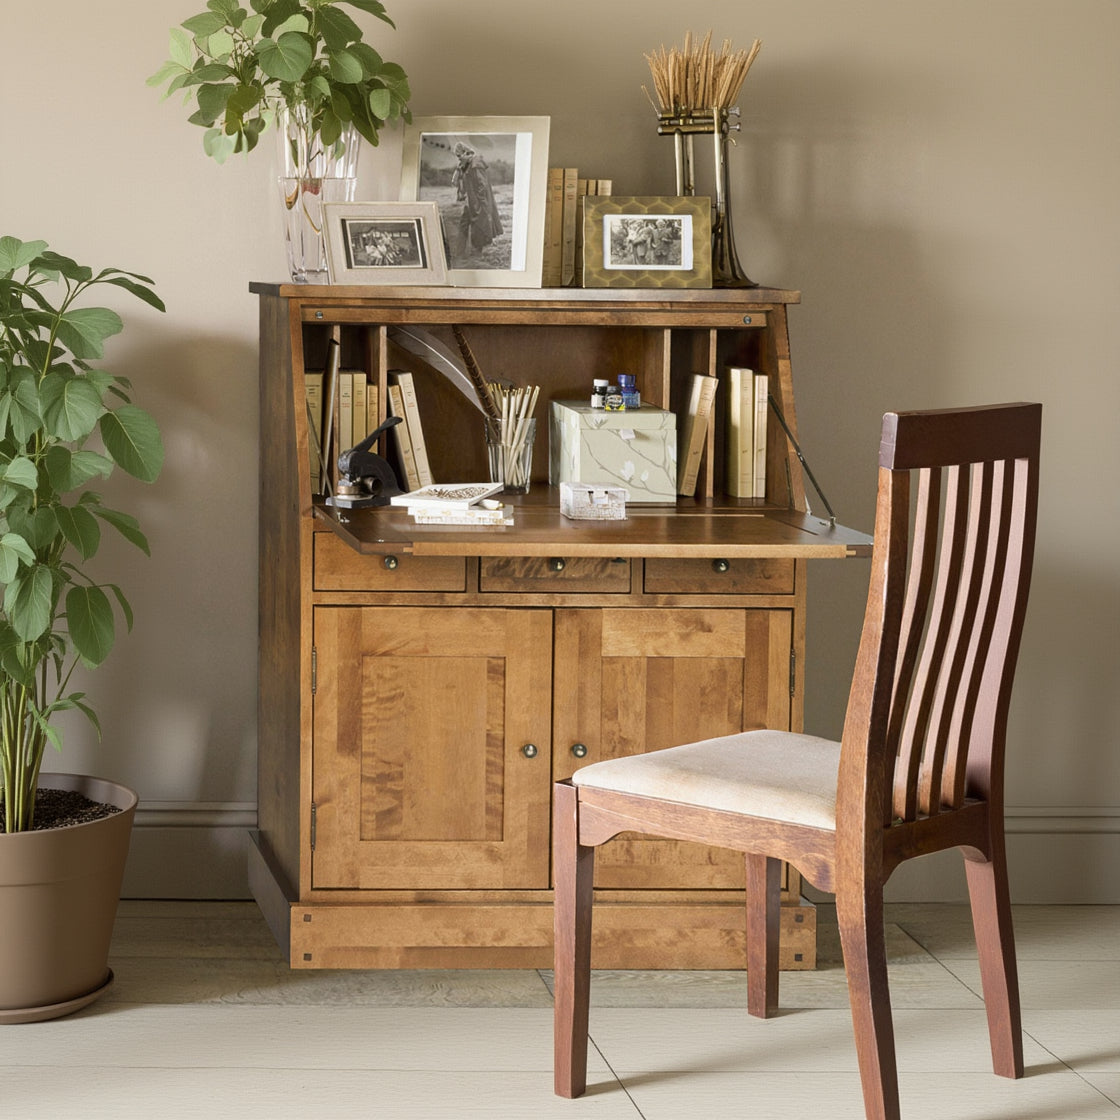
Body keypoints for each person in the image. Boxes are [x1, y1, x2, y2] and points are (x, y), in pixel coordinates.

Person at [452, 142, 502, 260]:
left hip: (479, 202)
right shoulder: (466, 164)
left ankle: (476, 255)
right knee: (463, 224)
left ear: (466, 153)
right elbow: (456, 182)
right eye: (457, 156)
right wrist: (458, 169)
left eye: (459, 156)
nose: (458, 158)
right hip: (470, 202)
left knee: (479, 226)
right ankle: (459, 254)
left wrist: (483, 205)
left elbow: (482, 186)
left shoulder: (476, 164)